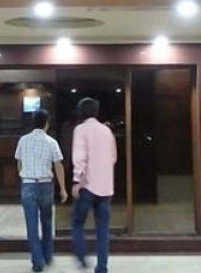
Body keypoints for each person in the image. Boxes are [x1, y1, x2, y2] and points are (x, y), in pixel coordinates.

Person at [15, 109, 68, 273]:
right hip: (45, 184)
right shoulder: (51, 142)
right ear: (47, 123)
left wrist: (24, 177)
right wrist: (63, 189)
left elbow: (19, 163)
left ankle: (37, 262)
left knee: (31, 225)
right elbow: (58, 165)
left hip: (28, 184)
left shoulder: (23, 140)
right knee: (47, 222)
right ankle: (48, 255)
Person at [71, 98, 117, 273]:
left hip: (87, 185)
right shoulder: (107, 131)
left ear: (81, 112)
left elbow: (80, 156)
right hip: (105, 187)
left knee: (77, 222)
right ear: (96, 111)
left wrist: (77, 180)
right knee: (103, 229)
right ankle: (102, 266)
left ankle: (82, 257)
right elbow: (113, 157)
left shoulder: (80, 130)